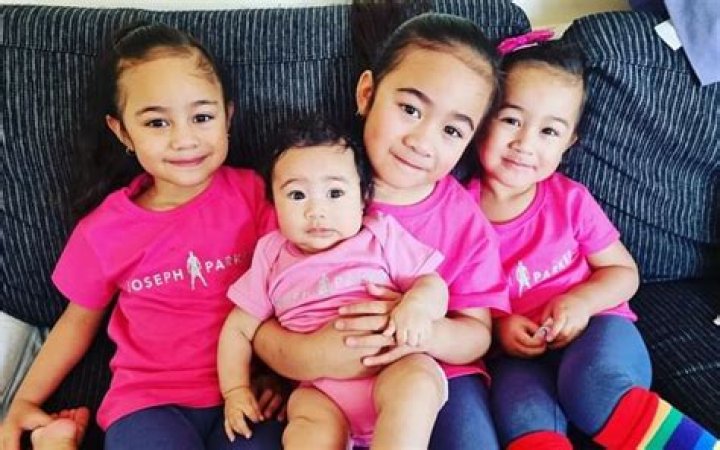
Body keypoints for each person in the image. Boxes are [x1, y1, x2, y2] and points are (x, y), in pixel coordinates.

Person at [0, 23, 286, 450]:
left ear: (227, 116)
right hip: (148, 402)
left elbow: (290, 284)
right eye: (156, 122)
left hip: (246, 390)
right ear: (122, 132)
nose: (184, 139)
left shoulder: (256, 195)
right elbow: (75, 324)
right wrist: (24, 401)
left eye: (202, 117)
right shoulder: (106, 229)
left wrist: (281, 375)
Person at [251, 6, 511, 450]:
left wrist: (425, 331)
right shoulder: (303, 188)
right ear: (367, 93)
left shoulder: (464, 221)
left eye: (452, 131)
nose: (421, 140)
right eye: (410, 109)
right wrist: (300, 358)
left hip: (436, 373)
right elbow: (256, 319)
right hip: (325, 386)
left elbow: (477, 334)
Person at [468, 35, 719, 449]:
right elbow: (459, 302)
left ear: (569, 142)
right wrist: (499, 326)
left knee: (591, 388)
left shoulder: (569, 200)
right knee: (521, 416)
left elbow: (623, 272)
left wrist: (582, 302)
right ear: (481, 119)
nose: (525, 143)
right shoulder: (457, 213)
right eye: (511, 120)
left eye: (549, 131)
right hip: (516, 355)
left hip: (598, 328)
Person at [219, 118, 451, 449]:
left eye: (335, 193)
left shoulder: (380, 234)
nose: (316, 211)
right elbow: (239, 328)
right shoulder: (271, 254)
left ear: (363, 198)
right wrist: (236, 390)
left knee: (417, 382)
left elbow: (432, 283)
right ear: (274, 203)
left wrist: (416, 306)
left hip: (391, 369)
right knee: (306, 427)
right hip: (321, 391)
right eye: (297, 195)